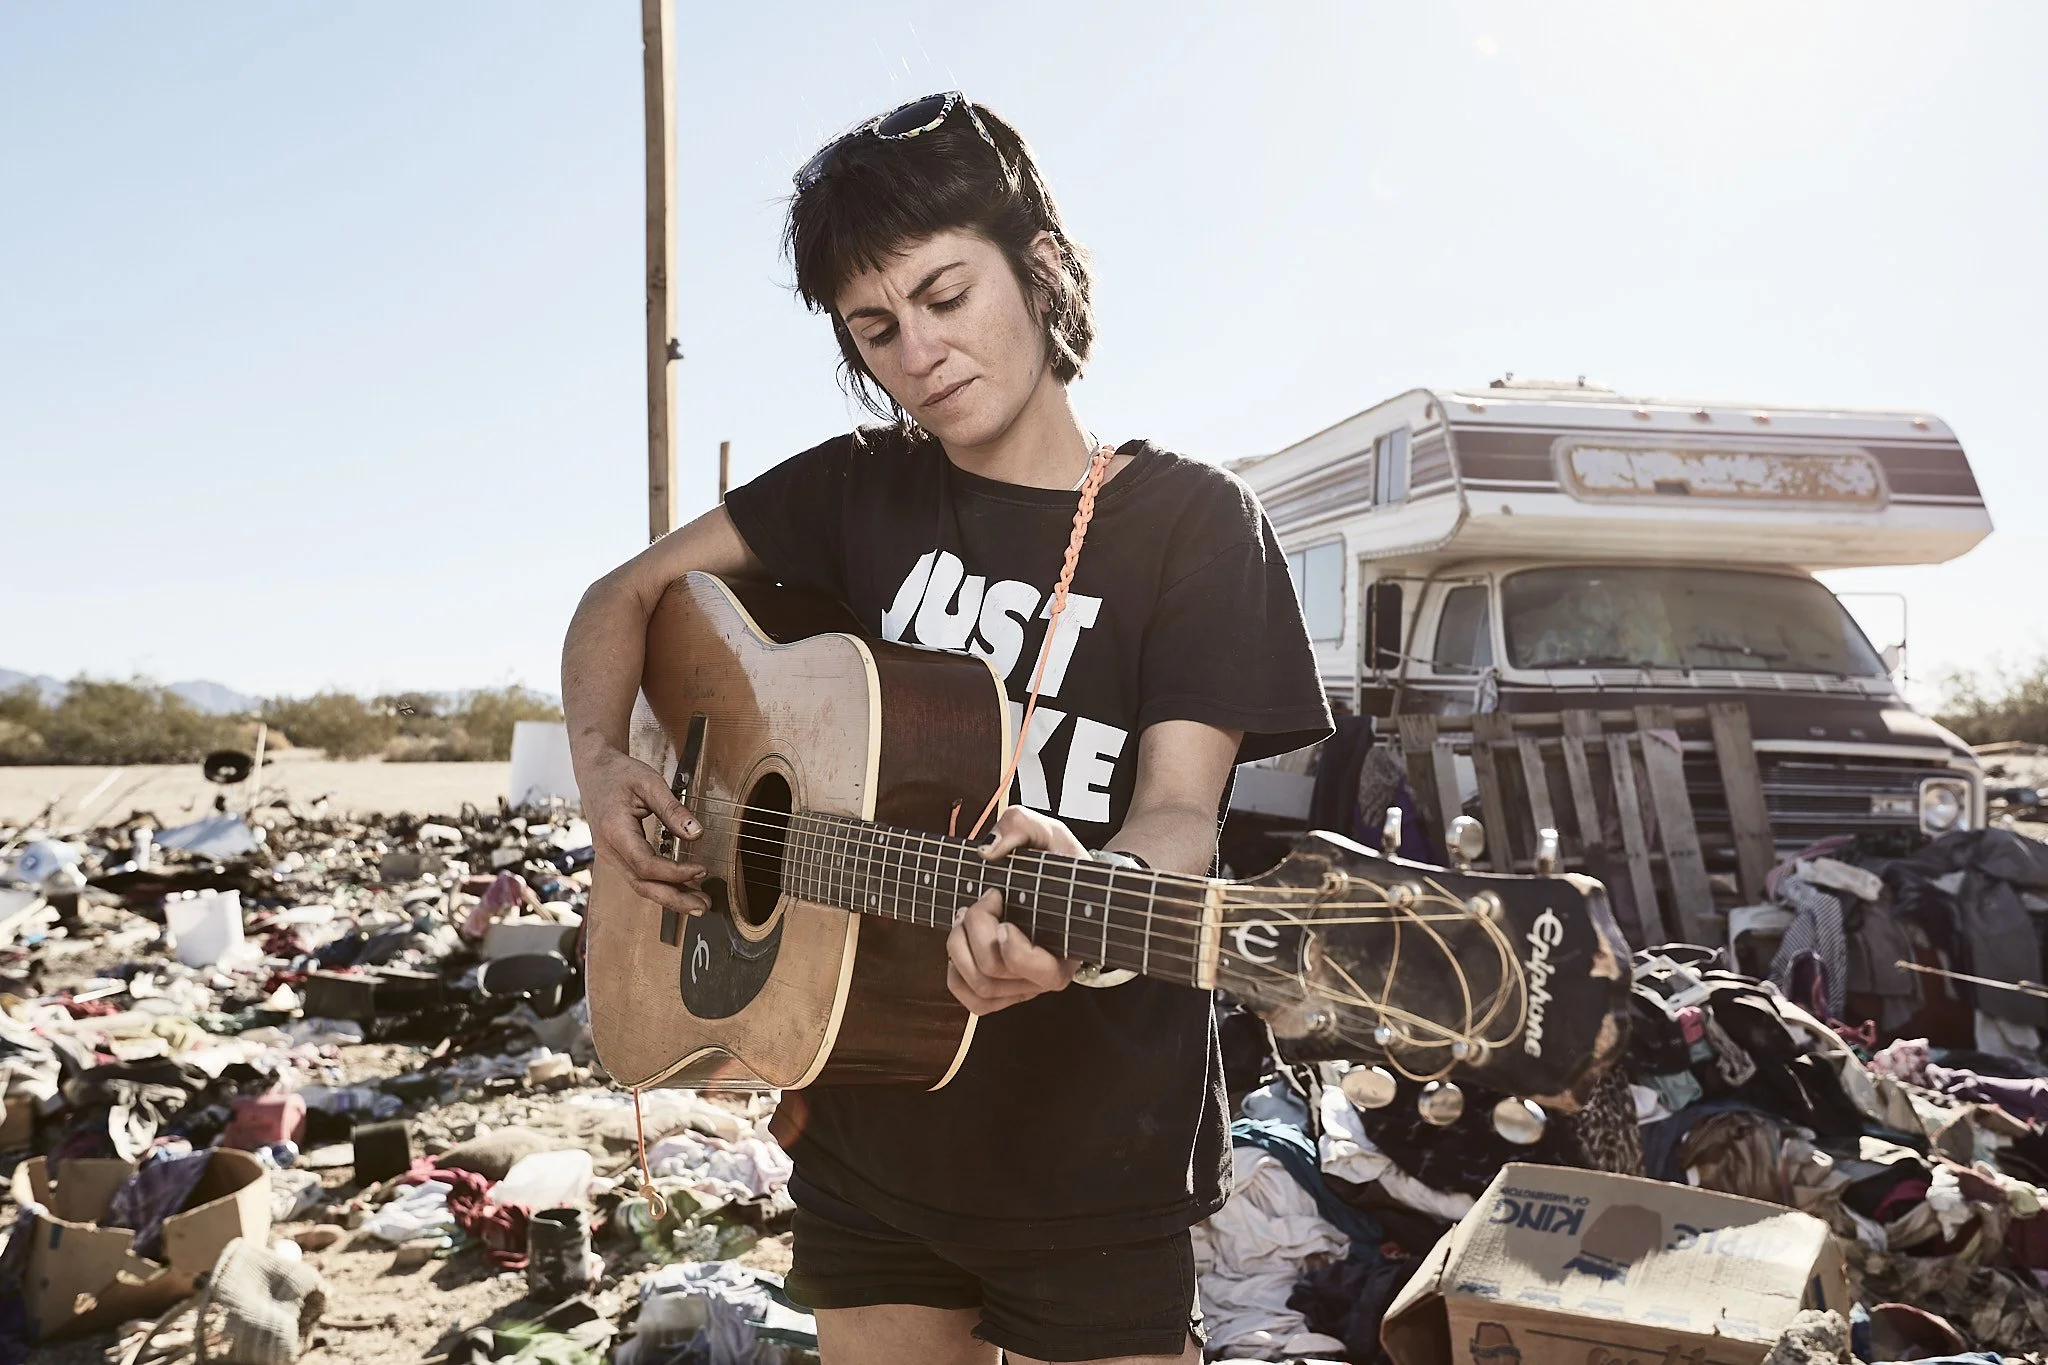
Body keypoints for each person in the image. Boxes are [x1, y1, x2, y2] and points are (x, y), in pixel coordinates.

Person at [561, 92, 1331, 1365]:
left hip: (1094, 1148)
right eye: (875, 327)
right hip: (866, 1117)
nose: (915, 350)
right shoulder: (852, 489)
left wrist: (1087, 919)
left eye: (943, 294)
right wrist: (600, 764)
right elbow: (621, 596)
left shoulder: (1192, 523)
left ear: (1037, 270)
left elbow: (1179, 814)